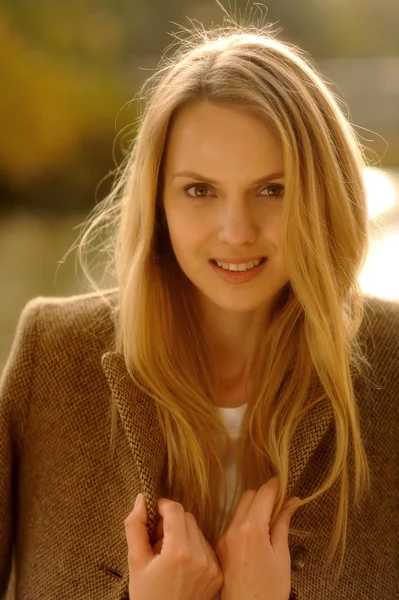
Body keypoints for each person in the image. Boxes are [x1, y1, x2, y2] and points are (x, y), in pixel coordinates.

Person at [1, 14, 398, 600]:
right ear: (157, 201)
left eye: (273, 189)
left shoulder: (392, 369)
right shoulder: (54, 356)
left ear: (323, 194)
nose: (236, 231)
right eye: (199, 190)